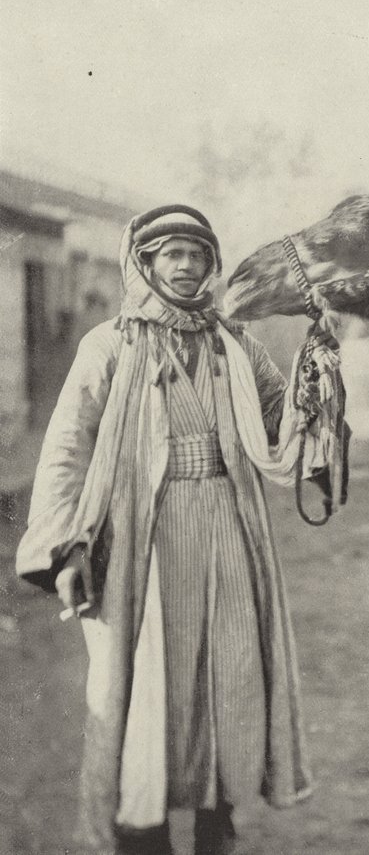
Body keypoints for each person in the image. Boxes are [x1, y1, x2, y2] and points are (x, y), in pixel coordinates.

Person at [16, 205, 318, 855]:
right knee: (148, 680)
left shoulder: (233, 343)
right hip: (142, 541)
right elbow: (68, 446)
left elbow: (281, 418)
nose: (185, 266)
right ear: (144, 263)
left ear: (211, 266)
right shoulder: (110, 345)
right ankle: (142, 825)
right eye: (170, 254)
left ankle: (218, 809)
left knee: (232, 666)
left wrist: (317, 382)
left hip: (229, 526)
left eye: (196, 255)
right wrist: (66, 547)